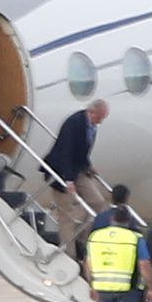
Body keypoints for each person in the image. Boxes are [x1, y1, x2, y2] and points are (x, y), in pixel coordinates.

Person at [44, 100, 111, 257]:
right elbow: (66, 152)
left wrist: (88, 165)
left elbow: (82, 152)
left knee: (98, 202)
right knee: (66, 215)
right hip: (60, 172)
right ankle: (70, 255)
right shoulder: (73, 124)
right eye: (99, 118)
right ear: (91, 112)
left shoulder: (92, 127)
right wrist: (68, 180)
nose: (100, 122)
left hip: (78, 169)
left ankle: (81, 239)